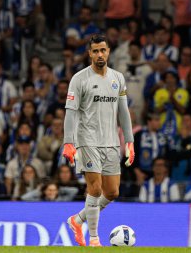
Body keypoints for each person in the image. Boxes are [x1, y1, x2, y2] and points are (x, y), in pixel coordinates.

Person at [62, 34, 134, 247]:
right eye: (95, 51)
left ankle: (77, 220)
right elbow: (71, 112)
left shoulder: (118, 78)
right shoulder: (79, 79)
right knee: (94, 188)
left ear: (109, 51)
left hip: (111, 142)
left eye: (103, 50)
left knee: (112, 192)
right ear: (89, 53)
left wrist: (129, 141)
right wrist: (69, 142)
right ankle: (93, 239)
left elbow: (124, 112)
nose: (100, 54)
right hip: (88, 140)